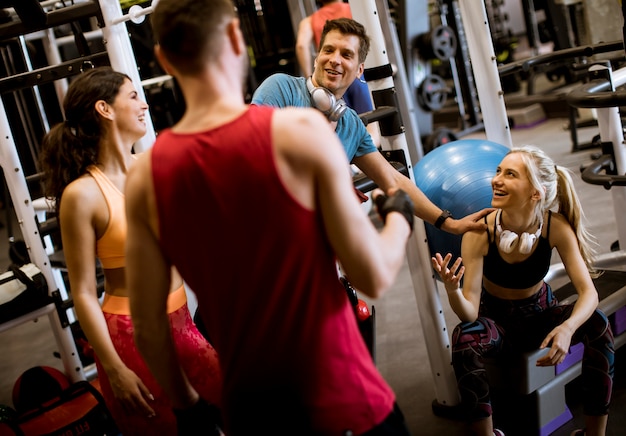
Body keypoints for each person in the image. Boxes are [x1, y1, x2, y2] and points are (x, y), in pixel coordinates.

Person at [125, 0, 415, 434]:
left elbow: (148, 326)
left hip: (253, 409)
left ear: (163, 59)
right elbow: (371, 275)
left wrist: (188, 406)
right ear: (237, 41)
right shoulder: (302, 135)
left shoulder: (145, 176)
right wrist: (399, 218)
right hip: (342, 396)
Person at [38, 67, 222, 435]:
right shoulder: (82, 195)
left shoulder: (153, 166)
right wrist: (114, 368)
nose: (145, 105)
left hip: (183, 322)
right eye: (133, 96)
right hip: (129, 336)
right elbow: (85, 293)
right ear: (105, 109)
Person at [431, 145, 615, 436]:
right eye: (497, 172)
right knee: (464, 338)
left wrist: (567, 328)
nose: (496, 179)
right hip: (497, 322)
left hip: (541, 313)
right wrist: (454, 291)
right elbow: (469, 312)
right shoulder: (478, 232)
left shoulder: (555, 227)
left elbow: (588, 293)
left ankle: (595, 433)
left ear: (535, 193)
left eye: (510, 174)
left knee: (598, 323)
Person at [254, 18, 490, 236]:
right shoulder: (281, 88)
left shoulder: (350, 125)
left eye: (346, 54)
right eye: (328, 50)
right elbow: (249, 146)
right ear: (317, 58)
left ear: (359, 71)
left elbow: (393, 179)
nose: (335, 59)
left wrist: (449, 223)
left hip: (315, 240)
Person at [296, 0, 374, 113]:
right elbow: (369, 40)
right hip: (352, 76)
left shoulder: (309, 21)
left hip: (326, 81)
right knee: (367, 119)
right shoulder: (354, 9)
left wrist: (310, 80)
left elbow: (301, 46)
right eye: (329, 50)